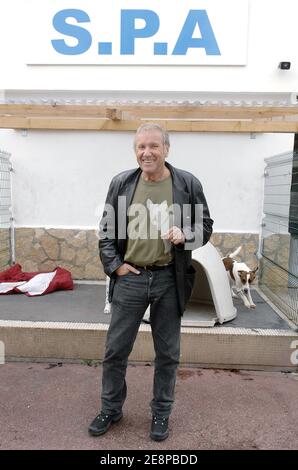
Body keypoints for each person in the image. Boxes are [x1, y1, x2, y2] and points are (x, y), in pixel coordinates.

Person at [89, 123, 213, 441]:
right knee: (115, 350)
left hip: (169, 278)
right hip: (131, 278)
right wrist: (115, 266)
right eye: (141, 147)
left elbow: (206, 225)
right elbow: (105, 230)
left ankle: (160, 414)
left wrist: (186, 235)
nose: (147, 152)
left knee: (168, 354)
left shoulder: (187, 183)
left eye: (154, 146)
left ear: (166, 149)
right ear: (136, 151)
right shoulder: (121, 183)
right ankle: (111, 409)